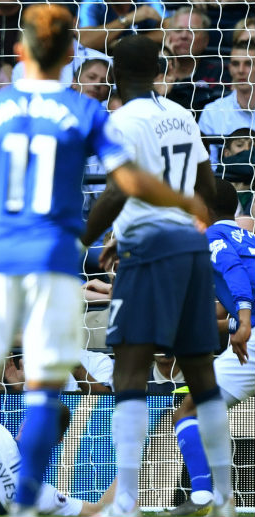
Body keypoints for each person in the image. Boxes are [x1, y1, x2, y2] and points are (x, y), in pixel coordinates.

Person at [0, 8, 209, 516]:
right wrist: (184, 201)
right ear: (71, 55)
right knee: (43, 389)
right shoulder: (88, 112)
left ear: (19, 51)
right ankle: (29, 502)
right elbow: (129, 180)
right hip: (53, 261)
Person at [79, 35, 233, 516]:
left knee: (129, 367)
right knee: (200, 371)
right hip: (190, 249)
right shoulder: (181, 115)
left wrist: (79, 238)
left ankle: (124, 502)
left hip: (150, 254)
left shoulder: (121, 121)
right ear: (159, 68)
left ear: (114, 75)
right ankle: (225, 499)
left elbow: (115, 193)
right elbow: (206, 186)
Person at [167, 178, 254, 516]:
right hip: (248, 338)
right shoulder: (247, 237)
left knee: (188, 411)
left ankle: (204, 496)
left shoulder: (214, 236)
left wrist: (243, 320)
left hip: (252, 339)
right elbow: (230, 297)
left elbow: (235, 275)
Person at [198, 42, 255, 164]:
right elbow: (208, 166)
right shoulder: (212, 112)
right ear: (230, 68)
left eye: (248, 63)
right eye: (235, 64)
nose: (241, 70)